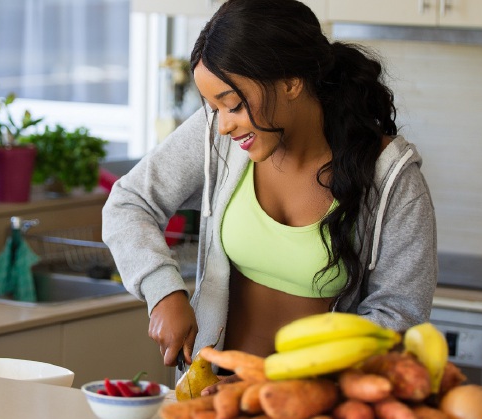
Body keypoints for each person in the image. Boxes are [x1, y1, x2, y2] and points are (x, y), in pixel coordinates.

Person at [102, 0, 437, 377]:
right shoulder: (221, 136)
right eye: (213, 108)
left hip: (313, 413)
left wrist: (281, 387)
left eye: (232, 104)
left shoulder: (391, 178)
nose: (223, 125)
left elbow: (400, 313)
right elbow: (129, 202)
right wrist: (163, 290)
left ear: (291, 83)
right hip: (210, 395)